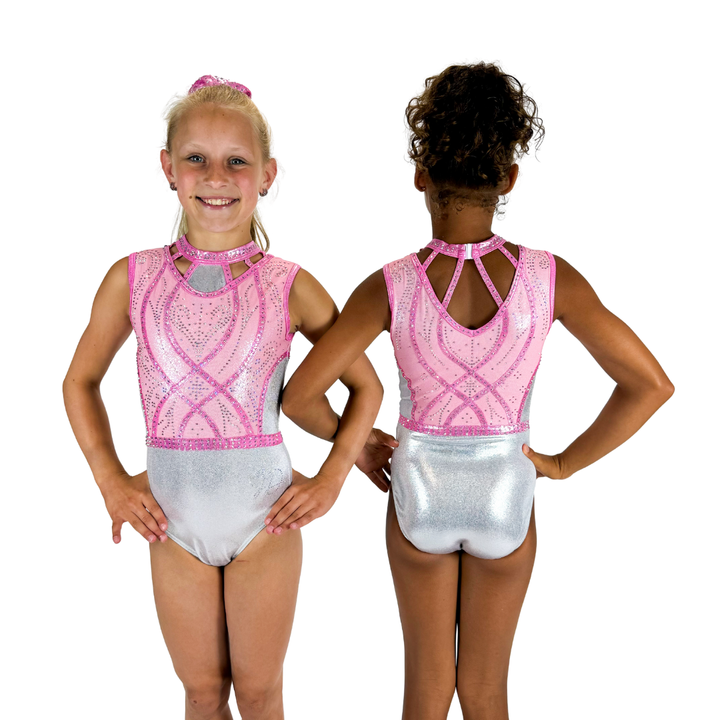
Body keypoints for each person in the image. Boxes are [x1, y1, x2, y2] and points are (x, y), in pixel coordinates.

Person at [278, 62, 674, 720]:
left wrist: (364, 445)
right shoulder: (551, 279)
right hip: (505, 491)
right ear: (509, 177)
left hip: (419, 488)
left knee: (426, 694)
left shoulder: (390, 285)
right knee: (487, 696)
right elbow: (650, 385)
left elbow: (298, 397)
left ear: (420, 174)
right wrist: (562, 464)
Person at [63, 75, 382, 720]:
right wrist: (111, 481)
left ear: (267, 175)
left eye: (237, 161)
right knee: (202, 693)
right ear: (168, 169)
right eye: (196, 159)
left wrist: (331, 479)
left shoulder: (290, 285)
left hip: (265, 518)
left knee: (260, 694)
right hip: (172, 521)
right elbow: (79, 381)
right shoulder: (132, 278)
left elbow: (365, 386)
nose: (216, 177)